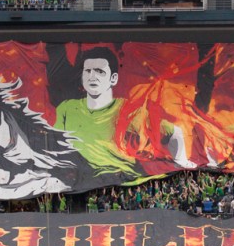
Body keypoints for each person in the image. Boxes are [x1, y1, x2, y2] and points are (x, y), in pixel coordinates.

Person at [54, 47, 193, 178]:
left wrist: (181, 161)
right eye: (88, 71)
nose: (92, 76)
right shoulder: (66, 109)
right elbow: (55, 144)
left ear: (113, 78)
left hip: (117, 176)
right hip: (78, 179)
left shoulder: (127, 110)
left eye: (99, 71)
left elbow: (175, 132)